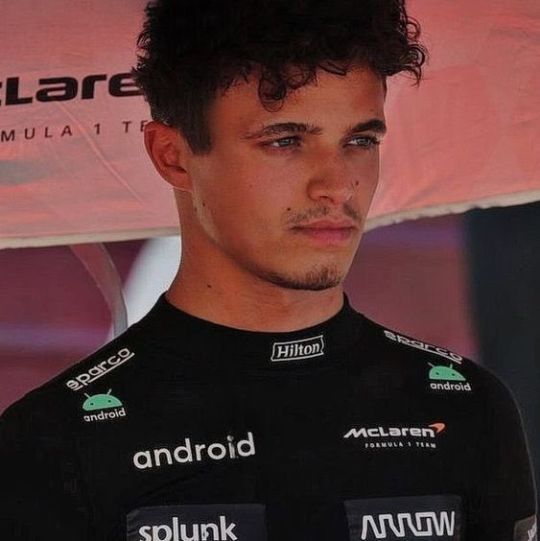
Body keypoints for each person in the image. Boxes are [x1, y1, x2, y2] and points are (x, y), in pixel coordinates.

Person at [1, 0, 536, 539]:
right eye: (285, 141)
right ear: (173, 156)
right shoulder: (53, 439)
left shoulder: (469, 407)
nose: (337, 185)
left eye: (360, 141)